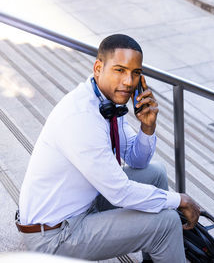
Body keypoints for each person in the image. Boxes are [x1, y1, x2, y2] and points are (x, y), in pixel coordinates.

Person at [17, 34, 200, 263]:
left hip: (83, 204)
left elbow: (137, 160)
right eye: (120, 70)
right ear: (98, 68)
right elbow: (120, 192)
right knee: (167, 222)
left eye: (135, 73)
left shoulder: (106, 101)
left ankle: (158, 255)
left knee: (156, 173)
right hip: (55, 236)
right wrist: (180, 200)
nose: (128, 81)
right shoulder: (82, 117)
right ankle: (164, 241)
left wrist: (147, 127)